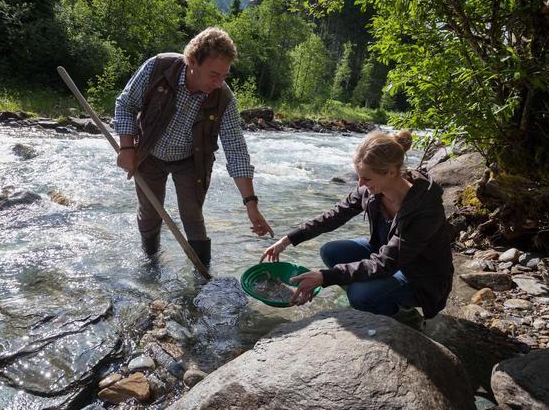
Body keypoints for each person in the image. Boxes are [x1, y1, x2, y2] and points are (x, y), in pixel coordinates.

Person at [260, 130, 453, 329]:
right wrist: (288, 239)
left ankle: (407, 318)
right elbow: (333, 216)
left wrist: (325, 277)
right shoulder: (371, 190)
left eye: (366, 179)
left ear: (392, 172)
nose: (360, 184)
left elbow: (387, 262)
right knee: (331, 251)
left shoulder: (425, 209)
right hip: (388, 257)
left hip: (420, 278)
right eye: (359, 176)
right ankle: (372, 294)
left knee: (360, 295)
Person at [114, 27, 273, 265]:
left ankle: (202, 277)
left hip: (191, 162)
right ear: (191, 62)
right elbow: (126, 105)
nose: (219, 83)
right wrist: (126, 148)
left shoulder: (224, 99)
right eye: (213, 75)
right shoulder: (158, 68)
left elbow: (236, 150)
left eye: (224, 76)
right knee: (149, 213)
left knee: (192, 217)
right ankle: (150, 265)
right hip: (149, 154)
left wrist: (251, 204)